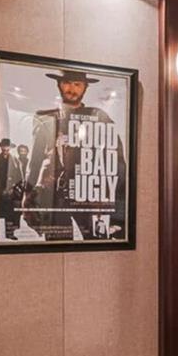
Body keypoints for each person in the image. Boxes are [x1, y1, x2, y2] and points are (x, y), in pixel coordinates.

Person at [29, 68, 126, 242]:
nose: (71, 89)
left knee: (98, 244)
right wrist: (27, 196)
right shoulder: (45, 118)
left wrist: (115, 205)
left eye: (77, 84)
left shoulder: (99, 117)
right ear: (59, 84)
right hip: (56, 196)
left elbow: (118, 162)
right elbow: (35, 160)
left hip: (90, 196)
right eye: (66, 83)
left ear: (85, 87)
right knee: (56, 245)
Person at [0, 137, 26, 238]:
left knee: (10, 214)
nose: (5, 149)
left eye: (7, 147)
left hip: (11, 192)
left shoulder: (15, 160)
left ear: (10, 148)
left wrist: (13, 188)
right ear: (1, 147)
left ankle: (10, 233)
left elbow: (20, 178)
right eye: (3, 147)